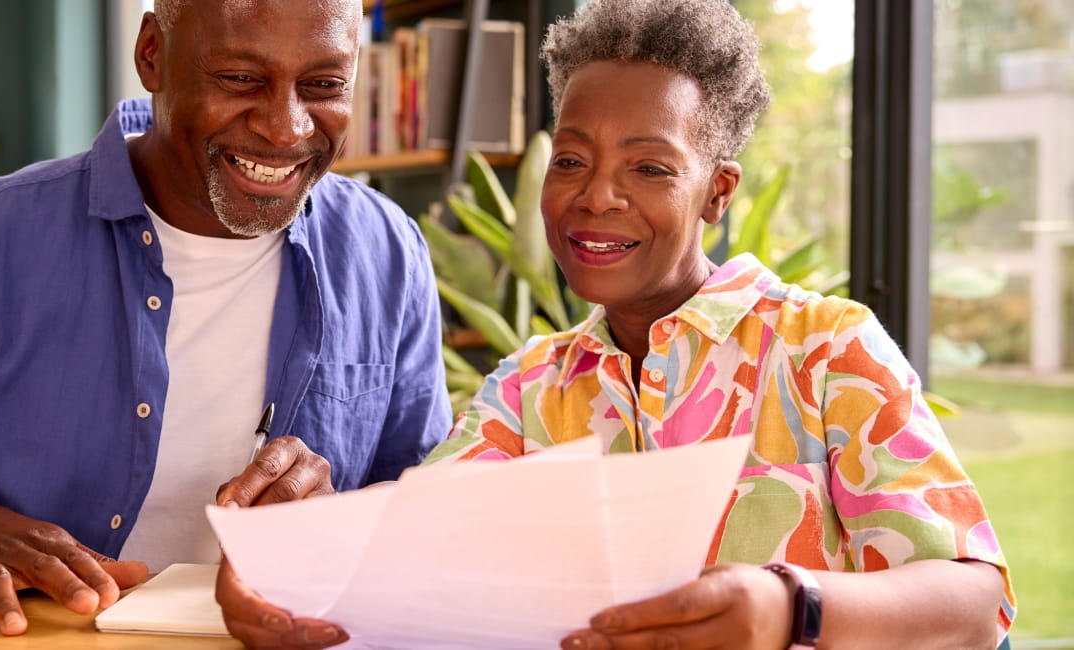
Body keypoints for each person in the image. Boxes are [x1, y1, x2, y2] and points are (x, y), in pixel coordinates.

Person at [218, 0, 1015, 648]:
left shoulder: (825, 349)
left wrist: (790, 608)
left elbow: (977, 604)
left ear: (718, 191)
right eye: (571, 160)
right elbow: (419, 566)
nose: (596, 196)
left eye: (650, 167)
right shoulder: (532, 385)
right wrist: (304, 561)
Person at [0, 0, 451, 637]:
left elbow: (428, 530)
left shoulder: (388, 250)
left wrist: (337, 533)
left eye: (323, 86)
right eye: (240, 79)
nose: (287, 129)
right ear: (151, 54)